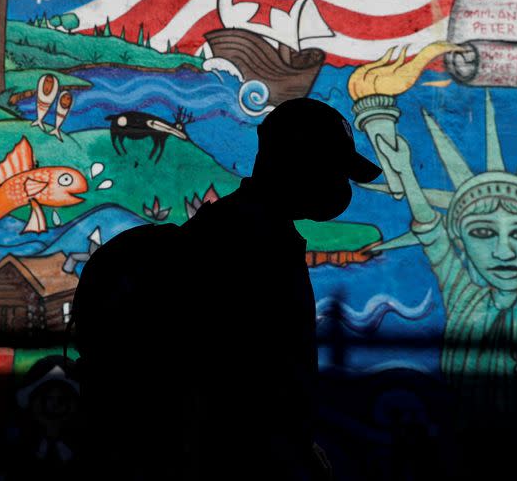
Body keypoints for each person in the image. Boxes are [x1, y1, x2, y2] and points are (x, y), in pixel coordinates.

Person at [74, 98, 381, 480]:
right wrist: (282, 453)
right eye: (334, 170)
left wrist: (295, 445)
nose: (340, 186)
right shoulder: (245, 246)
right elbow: (237, 383)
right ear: (299, 162)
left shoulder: (248, 232)